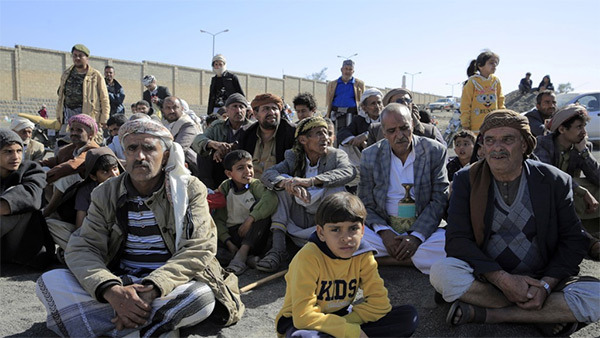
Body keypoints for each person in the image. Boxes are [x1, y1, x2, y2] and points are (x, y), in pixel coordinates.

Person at [36, 118, 244, 337]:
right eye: (132, 148)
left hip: (169, 285)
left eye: (148, 148)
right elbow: (84, 247)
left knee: (200, 297)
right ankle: (148, 326)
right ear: (124, 153)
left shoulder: (189, 189)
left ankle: (117, 325)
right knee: (49, 282)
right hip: (120, 279)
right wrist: (111, 290)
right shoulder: (106, 192)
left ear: (165, 156)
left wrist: (153, 287)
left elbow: (199, 248)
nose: (139, 156)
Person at [429, 110, 599, 336]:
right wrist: (503, 279)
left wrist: (547, 286)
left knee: (596, 295)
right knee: (442, 272)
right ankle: (543, 315)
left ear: (525, 145)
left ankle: (490, 314)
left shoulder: (555, 180)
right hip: (488, 276)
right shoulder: (466, 179)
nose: (497, 147)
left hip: (542, 276)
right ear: (483, 146)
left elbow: (572, 239)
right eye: (490, 140)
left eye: (507, 139)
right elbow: (457, 239)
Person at [275, 192, 419, 338]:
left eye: (353, 228)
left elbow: (380, 305)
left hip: (341, 316)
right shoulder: (308, 257)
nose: (346, 238)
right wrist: (349, 331)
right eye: (335, 229)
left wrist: (345, 326)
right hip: (303, 323)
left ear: (362, 230)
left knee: (407, 316)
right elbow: (303, 316)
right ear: (321, 233)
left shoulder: (363, 254)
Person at [359, 103, 448, 274]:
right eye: (392, 131)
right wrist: (384, 233)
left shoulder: (434, 151)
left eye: (404, 128)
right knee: (346, 239)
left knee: (451, 243)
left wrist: (416, 237)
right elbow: (365, 203)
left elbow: (439, 199)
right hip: (383, 230)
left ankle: (382, 260)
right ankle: (414, 260)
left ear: (412, 125)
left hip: (423, 231)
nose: (399, 135)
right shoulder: (370, 155)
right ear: (384, 133)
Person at [259, 116, 356, 272]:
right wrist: (287, 184)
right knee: (281, 186)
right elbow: (268, 175)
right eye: (318, 133)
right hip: (301, 216)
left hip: (324, 218)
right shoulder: (293, 156)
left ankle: (331, 248)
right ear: (303, 140)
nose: (325, 137)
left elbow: (349, 171)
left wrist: (311, 181)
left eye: (326, 133)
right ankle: (278, 250)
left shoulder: (336, 155)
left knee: (336, 191)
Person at [534, 104, 599, 259]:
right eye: (578, 127)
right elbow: (549, 176)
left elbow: (597, 177)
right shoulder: (542, 144)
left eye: (584, 126)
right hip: (548, 196)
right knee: (563, 189)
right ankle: (585, 240)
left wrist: (584, 152)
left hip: (569, 195)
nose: (584, 132)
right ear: (562, 129)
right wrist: (582, 192)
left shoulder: (581, 145)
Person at [46, 147, 122, 255]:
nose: (114, 175)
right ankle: (82, 253)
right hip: (93, 236)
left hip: (119, 236)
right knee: (50, 224)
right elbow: (80, 227)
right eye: (105, 172)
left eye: (115, 169)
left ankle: (76, 254)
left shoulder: (126, 186)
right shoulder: (86, 191)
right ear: (93, 176)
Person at [213, 150, 278, 275]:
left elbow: (271, 198)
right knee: (214, 252)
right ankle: (246, 260)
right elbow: (219, 219)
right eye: (240, 168)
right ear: (229, 173)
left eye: (249, 166)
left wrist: (250, 219)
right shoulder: (226, 188)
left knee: (262, 210)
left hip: (253, 234)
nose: (248, 171)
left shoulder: (255, 185)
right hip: (233, 235)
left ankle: (242, 254)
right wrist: (228, 242)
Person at [0, 129, 53, 267]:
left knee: (14, 197)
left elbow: (30, 196)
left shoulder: (32, 169)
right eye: (8, 152)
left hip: (23, 246)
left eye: (19, 151)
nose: (16, 157)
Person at [41, 114, 100, 218]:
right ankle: (55, 209)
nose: (74, 133)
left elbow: (73, 166)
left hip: (87, 188)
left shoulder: (93, 150)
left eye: (79, 130)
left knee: (67, 177)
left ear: (90, 134)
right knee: (41, 170)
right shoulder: (68, 149)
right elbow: (53, 161)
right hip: (67, 192)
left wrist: (47, 176)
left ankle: (48, 211)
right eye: (72, 130)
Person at [192, 93, 252, 189]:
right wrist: (214, 145)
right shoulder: (218, 126)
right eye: (234, 107)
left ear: (246, 111)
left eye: (241, 107)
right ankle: (208, 190)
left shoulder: (251, 127)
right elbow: (197, 140)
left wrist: (224, 149)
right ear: (227, 110)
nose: (238, 110)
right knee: (203, 153)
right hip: (221, 166)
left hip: (242, 167)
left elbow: (249, 146)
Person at [237, 93, 296, 179]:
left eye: (275, 108)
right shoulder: (247, 133)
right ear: (256, 114)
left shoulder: (290, 132)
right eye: (266, 109)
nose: (272, 112)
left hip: (278, 187)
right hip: (250, 186)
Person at [55, 44, 109, 137]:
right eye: (75, 55)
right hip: (68, 115)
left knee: (86, 143)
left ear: (87, 58)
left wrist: (104, 119)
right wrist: (59, 115)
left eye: (80, 55)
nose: (77, 58)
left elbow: (104, 98)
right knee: (64, 144)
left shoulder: (95, 75)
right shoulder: (66, 74)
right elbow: (61, 96)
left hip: (87, 114)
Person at [367, 88, 446, 147]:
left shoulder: (429, 131)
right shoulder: (375, 130)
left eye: (407, 100)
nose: (405, 103)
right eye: (399, 101)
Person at [460, 50, 505, 134]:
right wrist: (465, 124)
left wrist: (502, 117)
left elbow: (500, 101)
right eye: (491, 63)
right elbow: (465, 105)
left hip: (493, 126)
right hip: (476, 129)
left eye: (496, 63)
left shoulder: (495, 81)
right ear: (480, 66)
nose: (494, 65)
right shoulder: (472, 82)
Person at [161, 96, 202, 177]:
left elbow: (179, 149)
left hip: (188, 169)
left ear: (182, 108)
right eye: (168, 108)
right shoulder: (164, 123)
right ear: (163, 110)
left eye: (175, 107)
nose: (171, 111)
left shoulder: (187, 124)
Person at [326, 60, 365, 134]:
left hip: (352, 114)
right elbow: (328, 101)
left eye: (350, 69)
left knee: (350, 135)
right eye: (346, 69)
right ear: (341, 70)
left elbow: (362, 100)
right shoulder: (332, 84)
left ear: (353, 71)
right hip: (335, 113)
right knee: (335, 136)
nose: (347, 71)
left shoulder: (359, 84)